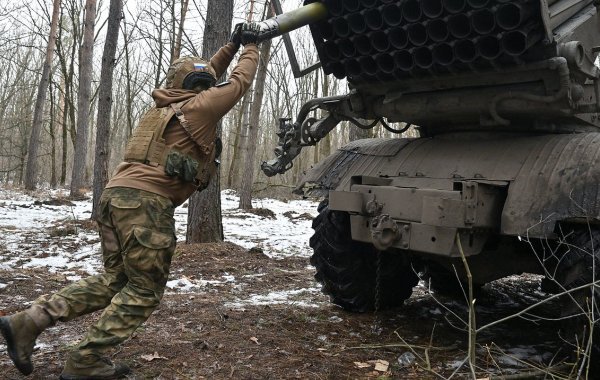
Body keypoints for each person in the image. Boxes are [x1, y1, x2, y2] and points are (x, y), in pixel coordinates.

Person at [0, 23, 260, 379]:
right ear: (200, 88)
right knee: (144, 288)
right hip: (145, 205)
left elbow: (206, 73)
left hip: (116, 197)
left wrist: (231, 44)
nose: (207, 83)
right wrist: (252, 47)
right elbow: (239, 82)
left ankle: (28, 321)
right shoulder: (202, 108)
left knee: (117, 279)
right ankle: (87, 359)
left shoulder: (166, 107)